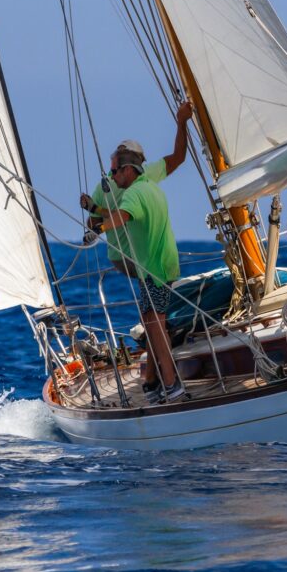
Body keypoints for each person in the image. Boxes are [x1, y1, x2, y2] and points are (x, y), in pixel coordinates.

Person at [79, 101, 193, 403]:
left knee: (153, 320)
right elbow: (107, 213)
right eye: (111, 170)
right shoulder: (143, 183)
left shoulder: (135, 189)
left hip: (143, 262)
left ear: (130, 168)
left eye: (115, 170)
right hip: (146, 261)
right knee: (153, 319)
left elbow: (116, 216)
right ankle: (157, 381)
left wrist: (97, 225)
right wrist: (94, 213)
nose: (111, 175)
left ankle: (166, 383)